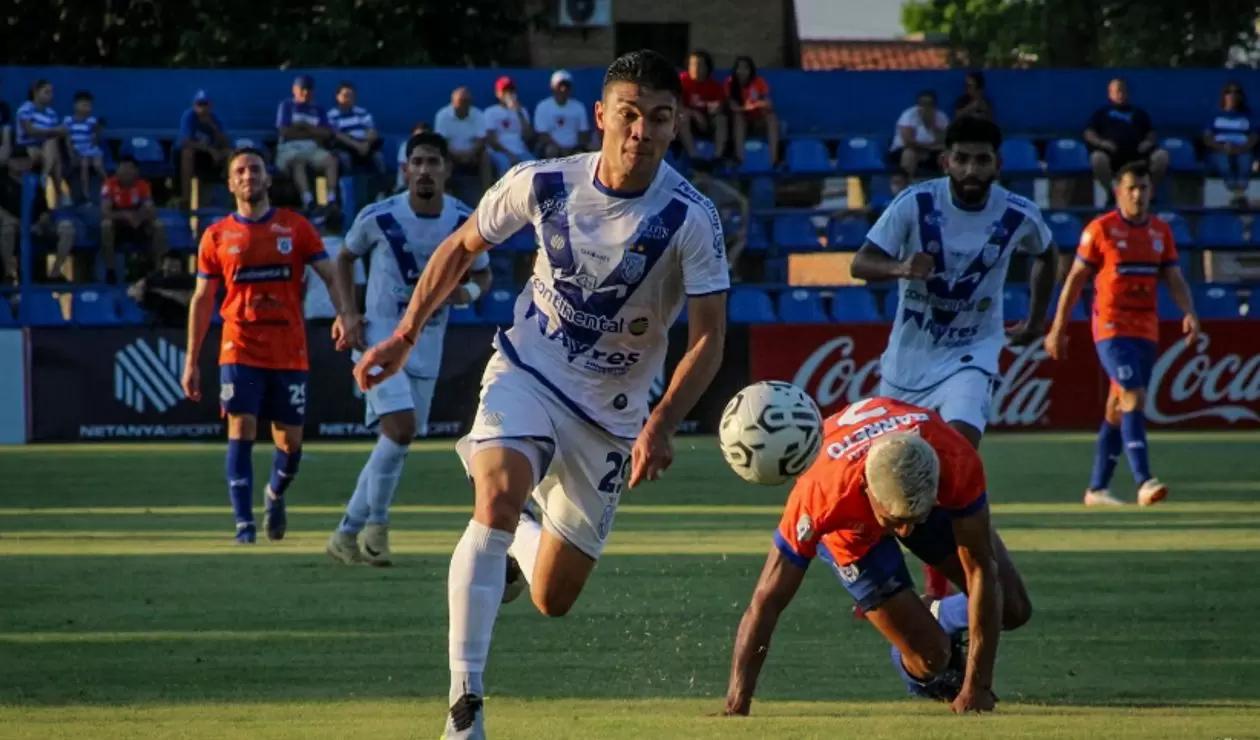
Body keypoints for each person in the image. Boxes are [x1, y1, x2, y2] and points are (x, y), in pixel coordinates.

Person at [352, 49, 729, 739]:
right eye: (629, 115)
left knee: (554, 597)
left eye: (659, 118)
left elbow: (709, 337)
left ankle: (522, 538)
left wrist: (663, 423)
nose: (641, 131)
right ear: (601, 117)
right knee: (493, 496)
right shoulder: (542, 182)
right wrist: (405, 335)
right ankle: (464, 710)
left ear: (676, 125)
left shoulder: (691, 218)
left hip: (614, 416)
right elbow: (463, 246)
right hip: (527, 370)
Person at [851, 115, 1055, 602]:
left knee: (954, 456)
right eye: (961, 159)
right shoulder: (915, 203)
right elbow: (860, 263)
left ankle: (950, 590)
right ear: (945, 161)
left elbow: (1047, 254)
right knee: (889, 485)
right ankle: (894, 584)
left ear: (997, 165)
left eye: (981, 160)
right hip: (908, 363)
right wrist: (902, 266)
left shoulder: (1018, 214)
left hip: (972, 353)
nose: (970, 169)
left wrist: (1036, 320)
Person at [722, 397, 1032, 716]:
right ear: (868, 491)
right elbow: (767, 599)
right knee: (930, 658)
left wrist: (977, 687)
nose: (906, 532)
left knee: (1012, 607)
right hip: (852, 533)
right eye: (896, 521)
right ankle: (927, 630)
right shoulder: (821, 498)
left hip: (917, 483)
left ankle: (938, 612)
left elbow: (980, 568)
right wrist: (737, 703)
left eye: (914, 520)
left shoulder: (954, 458)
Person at [327, 132, 492, 567]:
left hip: (428, 344)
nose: (424, 170)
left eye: (433, 162)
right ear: (404, 170)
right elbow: (344, 257)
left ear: (446, 170)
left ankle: (346, 533)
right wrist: (347, 313)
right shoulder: (379, 216)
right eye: (416, 162)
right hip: (379, 341)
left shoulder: (464, 220)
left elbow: (484, 274)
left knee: (398, 440)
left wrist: (468, 293)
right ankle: (377, 527)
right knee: (400, 429)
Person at [182, 147, 354, 544]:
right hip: (239, 345)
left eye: (254, 169)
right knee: (240, 427)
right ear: (230, 183)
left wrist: (345, 314)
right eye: (240, 171)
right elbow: (203, 299)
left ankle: (275, 494)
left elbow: (330, 273)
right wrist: (192, 360)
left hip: (288, 348)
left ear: (267, 178)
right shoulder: (216, 235)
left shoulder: (295, 228)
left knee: (289, 441)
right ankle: (244, 525)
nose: (248, 176)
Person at [1043, 161, 1199, 507]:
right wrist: (1058, 327)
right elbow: (1075, 280)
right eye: (1131, 188)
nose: (1138, 195)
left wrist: (1189, 312)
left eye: (1143, 188)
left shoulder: (1160, 232)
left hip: (1146, 327)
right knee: (1133, 394)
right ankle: (1144, 481)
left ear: (1150, 191)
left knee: (1118, 407)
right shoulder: (1101, 230)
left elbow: (1174, 278)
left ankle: (1096, 489)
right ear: (1118, 192)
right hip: (1111, 325)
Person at [1084, 78, 1170, 192]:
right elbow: (1089, 133)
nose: (1120, 94)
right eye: (1117, 91)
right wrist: (1102, 143)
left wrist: (1147, 143)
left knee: (1162, 156)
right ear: (1110, 94)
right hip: (1112, 155)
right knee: (1097, 158)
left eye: (1123, 91)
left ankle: (1149, 192)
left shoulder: (1139, 113)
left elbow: (1151, 133)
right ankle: (1113, 194)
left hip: (1138, 155)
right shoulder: (1101, 114)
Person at [275, 75, 340, 213]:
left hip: (312, 148)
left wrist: (304, 126)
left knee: (330, 160)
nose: (305, 93)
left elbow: (327, 133)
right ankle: (308, 200)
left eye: (309, 89)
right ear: (295, 89)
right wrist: (313, 132)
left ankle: (330, 199)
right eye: (302, 89)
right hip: (290, 148)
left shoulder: (318, 108)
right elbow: (285, 132)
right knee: (298, 161)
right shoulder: (287, 105)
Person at [0, 164, 75, 283]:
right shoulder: (2, 181)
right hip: (13, 224)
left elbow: (44, 209)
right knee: (7, 228)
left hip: (36, 224)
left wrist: (41, 221)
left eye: (24, 160)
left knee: (67, 228)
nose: (21, 164)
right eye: (17, 160)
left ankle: (55, 272)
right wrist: (14, 221)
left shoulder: (34, 180)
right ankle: (9, 273)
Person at [100, 155, 168, 282]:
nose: (125, 173)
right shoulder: (109, 185)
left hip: (138, 226)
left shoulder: (142, 185)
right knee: (106, 225)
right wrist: (125, 215)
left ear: (136, 172)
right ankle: (110, 270)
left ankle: (158, 269)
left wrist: (139, 216)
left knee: (158, 226)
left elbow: (150, 209)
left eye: (129, 169)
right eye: (122, 169)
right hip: (118, 227)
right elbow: (105, 212)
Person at [1203, 82, 1257, 206]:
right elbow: (1207, 137)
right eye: (1229, 92)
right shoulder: (1215, 115)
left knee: (1244, 163)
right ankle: (1236, 196)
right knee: (1224, 163)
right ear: (1224, 96)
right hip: (1220, 149)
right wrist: (1222, 147)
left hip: (1243, 149)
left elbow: (1254, 137)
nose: (1233, 95)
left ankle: (1238, 197)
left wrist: (1241, 148)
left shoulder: (1249, 116)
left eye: (1236, 92)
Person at [15, 79, 68, 206]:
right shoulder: (25, 109)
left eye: (52, 92)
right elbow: (30, 131)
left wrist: (60, 131)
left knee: (53, 144)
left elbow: (59, 133)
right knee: (54, 151)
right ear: (35, 92)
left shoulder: (51, 113)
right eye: (47, 92)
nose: (51, 95)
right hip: (25, 148)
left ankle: (44, 176)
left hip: (46, 149)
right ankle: (59, 192)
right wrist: (55, 130)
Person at [177, 89, 231, 207]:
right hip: (194, 156)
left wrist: (214, 128)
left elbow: (225, 143)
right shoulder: (189, 117)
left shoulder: (215, 119)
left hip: (210, 157)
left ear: (210, 106)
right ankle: (186, 198)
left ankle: (232, 198)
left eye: (205, 104)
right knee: (187, 154)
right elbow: (185, 142)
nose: (202, 108)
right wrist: (209, 150)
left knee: (232, 155)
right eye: (199, 104)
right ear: (194, 105)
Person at [435, 87, 492, 192]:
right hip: (451, 155)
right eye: (461, 101)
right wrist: (457, 155)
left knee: (485, 156)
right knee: (440, 157)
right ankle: (444, 194)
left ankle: (487, 193)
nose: (464, 105)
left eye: (467, 101)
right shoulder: (442, 115)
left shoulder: (478, 115)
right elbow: (441, 141)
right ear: (453, 102)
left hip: (473, 155)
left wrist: (470, 154)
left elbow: (482, 140)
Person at [726, 55, 779, 166]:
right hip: (740, 121)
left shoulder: (758, 82)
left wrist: (757, 105)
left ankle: (774, 159)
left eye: (745, 68)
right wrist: (746, 108)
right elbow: (733, 106)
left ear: (751, 70)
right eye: (739, 68)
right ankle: (739, 158)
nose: (742, 71)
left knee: (771, 118)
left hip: (757, 120)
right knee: (738, 117)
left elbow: (768, 103)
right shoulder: (730, 83)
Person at [677, 49, 729, 163]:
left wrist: (715, 109)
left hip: (708, 123)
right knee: (682, 117)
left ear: (707, 68)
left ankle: (717, 156)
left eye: (700, 65)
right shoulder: (682, 81)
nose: (695, 69)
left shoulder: (715, 86)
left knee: (721, 119)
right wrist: (694, 113)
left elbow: (719, 107)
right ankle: (694, 156)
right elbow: (676, 105)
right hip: (689, 123)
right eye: (692, 65)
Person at [327, 81, 386, 177]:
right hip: (346, 147)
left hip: (365, 145)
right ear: (337, 97)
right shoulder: (331, 115)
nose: (349, 98)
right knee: (344, 158)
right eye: (345, 95)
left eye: (351, 96)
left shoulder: (362, 112)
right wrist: (357, 146)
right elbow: (337, 135)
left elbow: (372, 131)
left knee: (378, 157)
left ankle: (384, 188)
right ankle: (348, 189)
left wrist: (366, 144)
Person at [890, 90, 949, 179]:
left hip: (930, 152)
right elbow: (908, 142)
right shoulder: (909, 115)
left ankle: (946, 186)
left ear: (935, 105)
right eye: (922, 104)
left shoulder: (941, 117)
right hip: (903, 150)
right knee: (909, 154)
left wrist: (930, 124)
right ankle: (907, 187)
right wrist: (930, 147)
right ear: (918, 104)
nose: (926, 107)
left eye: (930, 104)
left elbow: (945, 141)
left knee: (947, 155)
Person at [533, 69, 591, 159]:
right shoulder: (542, 106)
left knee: (582, 155)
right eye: (560, 86)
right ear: (552, 87)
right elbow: (542, 135)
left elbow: (583, 133)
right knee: (551, 151)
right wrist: (561, 149)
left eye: (566, 86)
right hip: (552, 148)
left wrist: (576, 148)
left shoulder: (579, 107)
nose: (563, 89)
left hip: (574, 149)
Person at [483, 76, 534, 177]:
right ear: (497, 93)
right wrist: (509, 154)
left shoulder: (522, 111)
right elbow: (491, 140)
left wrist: (518, 112)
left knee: (534, 167)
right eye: (505, 91)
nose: (509, 94)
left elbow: (528, 136)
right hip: (499, 152)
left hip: (521, 151)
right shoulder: (490, 112)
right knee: (505, 165)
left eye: (511, 90)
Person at [127, 253, 194, 328]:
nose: (170, 269)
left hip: (180, 324)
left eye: (174, 266)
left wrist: (162, 292)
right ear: (163, 266)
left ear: (181, 268)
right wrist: (139, 292)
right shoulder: (156, 277)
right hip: (157, 322)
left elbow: (185, 300)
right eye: (168, 265)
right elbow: (131, 291)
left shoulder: (188, 280)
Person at [63, 91, 105, 203]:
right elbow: (68, 140)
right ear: (76, 105)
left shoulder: (91, 121)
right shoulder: (68, 120)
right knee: (84, 166)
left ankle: (108, 183)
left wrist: (97, 132)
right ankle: (86, 193)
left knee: (97, 164)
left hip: (90, 148)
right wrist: (71, 153)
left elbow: (94, 139)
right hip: (78, 150)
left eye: (89, 106)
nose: (87, 109)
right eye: (84, 105)